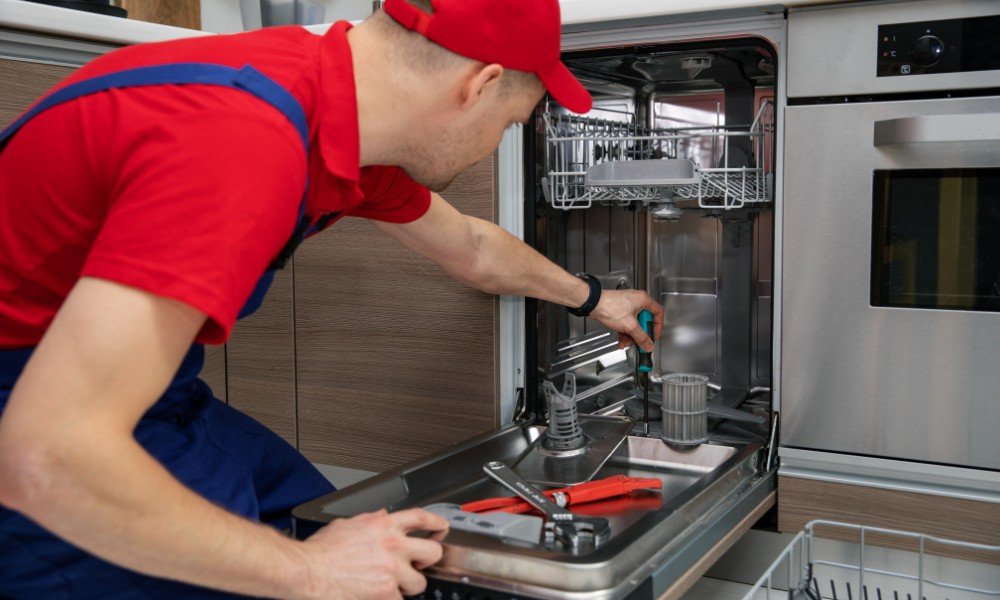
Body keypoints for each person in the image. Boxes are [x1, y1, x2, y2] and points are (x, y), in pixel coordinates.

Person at [0, 0, 664, 597]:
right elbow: (44, 455)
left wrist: (593, 298)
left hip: (145, 393)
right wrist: (312, 573)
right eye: (511, 124)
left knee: (334, 522)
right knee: (312, 567)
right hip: (41, 422)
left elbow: (472, 247)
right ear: (479, 85)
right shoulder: (241, 136)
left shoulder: (335, 113)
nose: (498, 143)